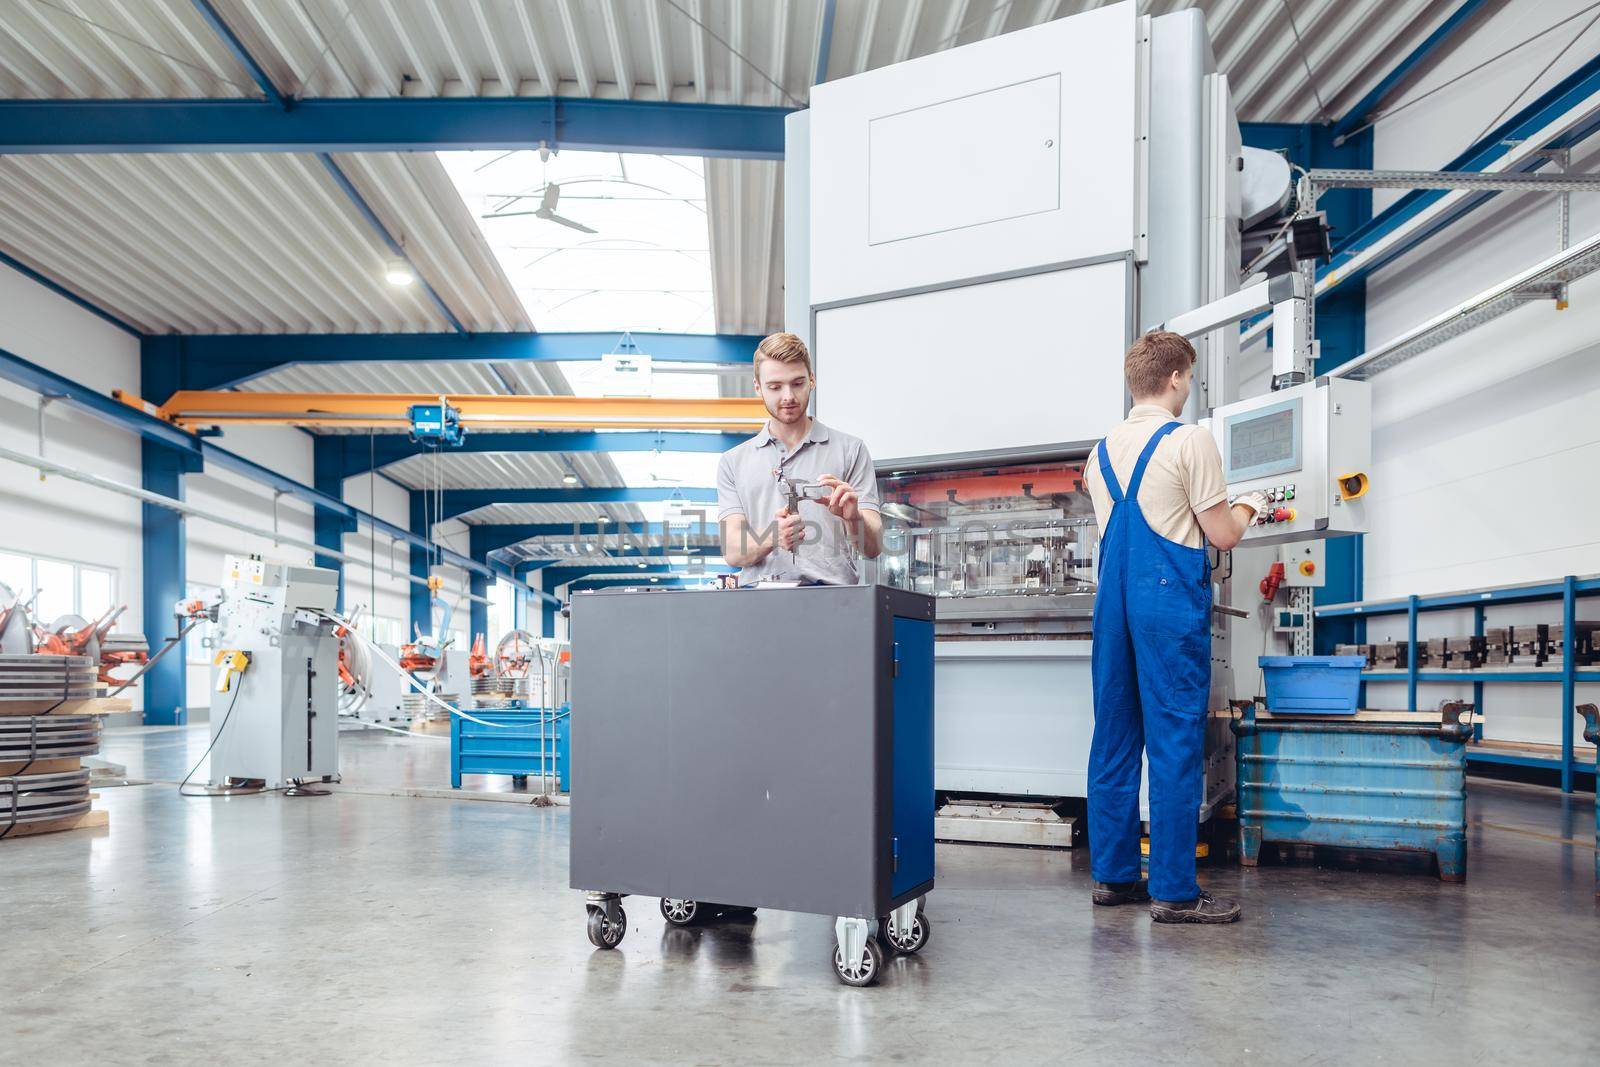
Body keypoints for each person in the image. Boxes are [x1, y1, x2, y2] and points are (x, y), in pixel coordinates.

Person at [1083, 330, 1269, 924]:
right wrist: (1253, 505)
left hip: (1111, 605)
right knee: (1172, 742)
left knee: (1113, 739)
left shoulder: (1098, 452)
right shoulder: (1192, 440)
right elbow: (1223, 534)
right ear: (1177, 379)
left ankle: (1114, 877)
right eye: (1189, 377)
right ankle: (1174, 892)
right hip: (1165, 604)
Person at [717, 332, 883, 583]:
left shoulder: (851, 450)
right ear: (757, 386)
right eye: (775, 387)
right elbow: (732, 550)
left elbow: (874, 547)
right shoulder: (733, 462)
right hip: (759, 605)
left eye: (797, 383)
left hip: (834, 603)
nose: (788, 397)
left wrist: (854, 518)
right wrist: (773, 536)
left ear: (812, 380)